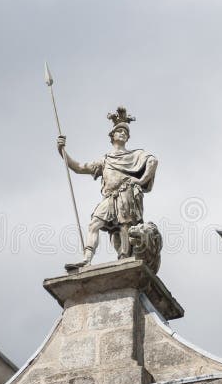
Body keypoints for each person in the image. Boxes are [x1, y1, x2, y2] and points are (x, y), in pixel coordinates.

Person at [56, 113, 158, 270]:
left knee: (125, 228)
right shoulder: (105, 160)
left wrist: (141, 180)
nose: (123, 134)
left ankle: (124, 258)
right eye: (120, 131)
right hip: (109, 198)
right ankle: (86, 259)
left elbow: (153, 161)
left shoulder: (134, 155)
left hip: (126, 194)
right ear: (112, 135)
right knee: (94, 224)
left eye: (126, 133)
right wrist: (62, 151)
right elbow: (78, 168)